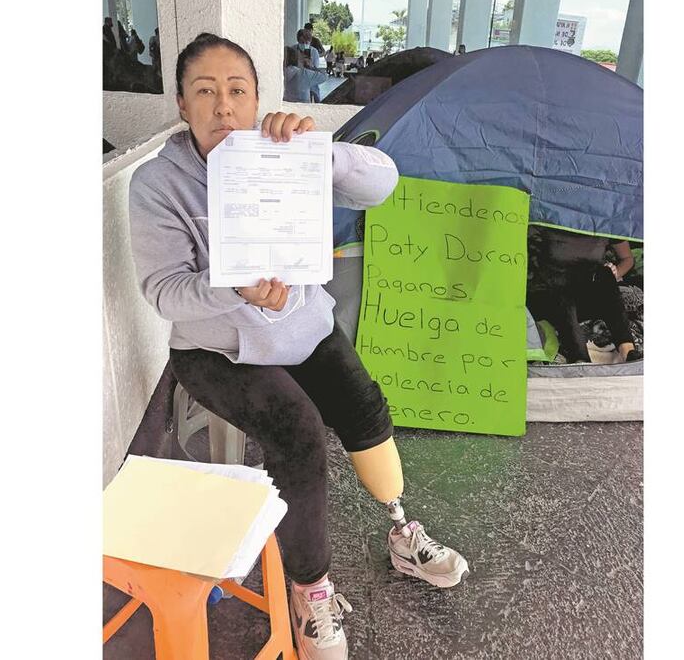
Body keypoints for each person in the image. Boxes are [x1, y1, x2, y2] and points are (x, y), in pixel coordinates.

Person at [128, 33, 470, 660]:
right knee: (299, 434)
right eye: (204, 92)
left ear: (258, 98)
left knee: (366, 410)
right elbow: (166, 293)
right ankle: (310, 590)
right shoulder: (157, 184)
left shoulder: (285, 153)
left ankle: (400, 528)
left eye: (237, 91)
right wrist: (236, 291)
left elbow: (383, 183)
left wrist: (324, 155)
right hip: (216, 351)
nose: (223, 107)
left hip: (303, 329)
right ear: (181, 104)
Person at [527, 229, 642, 363]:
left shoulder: (604, 220)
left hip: (586, 295)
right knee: (561, 284)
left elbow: (627, 259)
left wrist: (615, 273)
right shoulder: (550, 216)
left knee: (605, 273)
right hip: (553, 294)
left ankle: (627, 350)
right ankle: (580, 357)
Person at [295, 29, 323, 102]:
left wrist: (309, 65)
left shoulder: (314, 52)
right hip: (297, 79)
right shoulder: (293, 49)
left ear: (310, 42)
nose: (304, 44)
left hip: (310, 78)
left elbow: (316, 69)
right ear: (298, 40)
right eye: (302, 42)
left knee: (314, 95)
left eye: (306, 42)